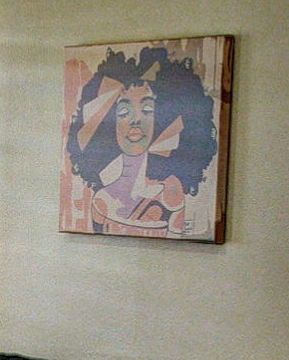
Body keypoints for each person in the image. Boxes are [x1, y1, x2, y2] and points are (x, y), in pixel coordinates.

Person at [65, 44, 221, 235]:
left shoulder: (170, 194)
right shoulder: (101, 200)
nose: (136, 120)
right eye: (123, 111)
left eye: (147, 110)